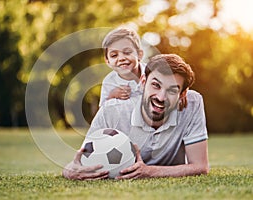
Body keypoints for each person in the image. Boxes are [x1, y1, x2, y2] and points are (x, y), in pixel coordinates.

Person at [63, 54, 209, 180]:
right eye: (156, 85)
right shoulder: (112, 110)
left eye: (172, 90)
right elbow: (78, 162)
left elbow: (200, 166)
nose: (161, 97)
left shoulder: (192, 103)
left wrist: (149, 172)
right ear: (143, 82)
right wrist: (70, 171)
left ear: (182, 94)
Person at [99, 27, 145, 107]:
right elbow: (103, 111)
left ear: (139, 54)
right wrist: (112, 95)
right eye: (114, 55)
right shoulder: (109, 81)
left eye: (127, 52)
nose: (121, 58)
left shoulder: (152, 72)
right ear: (107, 61)